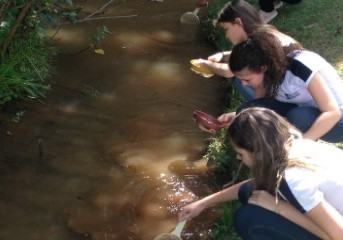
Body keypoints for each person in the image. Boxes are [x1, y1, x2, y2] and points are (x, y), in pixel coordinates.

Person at [179, 107, 343, 240]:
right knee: (250, 192)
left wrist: (278, 207)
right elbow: (255, 183)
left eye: (240, 153)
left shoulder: (292, 179)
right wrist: (203, 203)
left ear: (257, 152)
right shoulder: (292, 145)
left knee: (249, 218)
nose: (238, 157)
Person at [218, 30, 343, 143]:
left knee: (298, 116)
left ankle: (304, 155)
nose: (245, 83)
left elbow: (333, 113)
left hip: (337, 122)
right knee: (245, 112)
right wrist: (239, 115)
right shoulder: (270, 71)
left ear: (263, 68)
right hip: (304, 107)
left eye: (247, 79)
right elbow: (260, 105)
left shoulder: (300, 67)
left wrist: (301, 144)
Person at [191, 0, 300, 100]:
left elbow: (228, 71)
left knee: (240, 76)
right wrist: (223, 55)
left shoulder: (258, 41)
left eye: (226, 29)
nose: (226, 36)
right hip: (291, 87)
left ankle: (267, 107)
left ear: (238, 23)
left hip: (290, 94)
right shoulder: (265, 33)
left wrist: (207, 65)